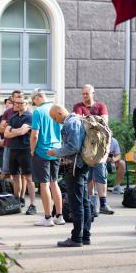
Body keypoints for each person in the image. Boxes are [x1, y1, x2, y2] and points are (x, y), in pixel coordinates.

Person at [48, 105, 91, 248]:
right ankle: (85, 236)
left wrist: (56, 152)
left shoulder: (71, 123)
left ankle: (76, 238)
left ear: (60, 112)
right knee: (84, 201)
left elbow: (73, 147)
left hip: (74, 167)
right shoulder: (77, 120)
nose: (55, 121)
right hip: (82, 165)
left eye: (55, 118)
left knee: (76, 203)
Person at [73, 85, 112, 215]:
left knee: (101, 175)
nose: (84, 96)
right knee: (88, 176)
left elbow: (104, 123)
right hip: (85, 146)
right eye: (83, 94)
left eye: (87, 94)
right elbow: (78, 122)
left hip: (100, 147)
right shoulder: (78, 106)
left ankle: (103, 204)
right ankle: (90, 203)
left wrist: (88, 120)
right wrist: (95, 120)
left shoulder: (101, 106)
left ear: (93, 93)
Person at [30, 91, 65, 227]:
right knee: (54, 183)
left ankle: (47, 217)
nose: (34, 105)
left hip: (42, 151)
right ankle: (59, 216)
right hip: (56, 150)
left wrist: (32, 150)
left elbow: (34, 135)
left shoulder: (38, 111)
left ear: (38, 98)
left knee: (44, 184)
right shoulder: (57, 108)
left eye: (34, 101)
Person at [4, 97, 36, 214]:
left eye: (20, 103)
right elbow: (6, 134)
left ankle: (32, 205)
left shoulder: (30, 116)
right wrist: (16, 131)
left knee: (29, 178)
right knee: (15, 177)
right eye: (16, 103)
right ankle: (16, 202)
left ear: (26, 103)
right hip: (13, 149)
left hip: (25, 149)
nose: (17, 105)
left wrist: (13, 131)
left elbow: (23, 132)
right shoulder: (13, 117)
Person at [0, 98, 13, 173]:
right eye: (6, 103)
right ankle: (4, 184)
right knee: (3, 171)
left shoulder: (16, 116)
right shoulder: (1, 117)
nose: (7, 104)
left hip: (11, 146)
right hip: (2, 147)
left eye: (10, 103)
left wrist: (5, 140)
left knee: (14, 172)